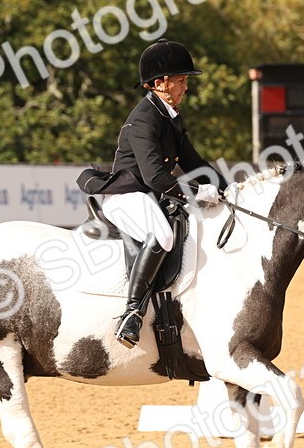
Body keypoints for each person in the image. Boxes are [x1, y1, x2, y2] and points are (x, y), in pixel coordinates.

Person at [80, 39, 227, 348]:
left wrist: (230, 189)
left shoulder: (170, 117)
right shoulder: (144, 119)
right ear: (160, 83)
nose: (186, 87)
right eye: (182, 80)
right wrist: (197, 192)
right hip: (126, 196)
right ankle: (132, 314)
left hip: (147, 195)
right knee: (163, 236)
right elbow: (156, 177)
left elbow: (195, 163)